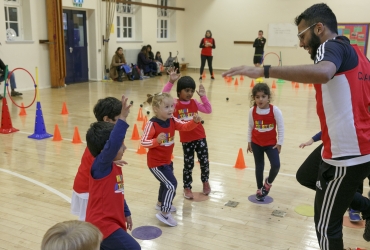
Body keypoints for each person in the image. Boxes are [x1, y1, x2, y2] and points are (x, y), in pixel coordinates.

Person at [223, 3, 370, 248]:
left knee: (325, 227)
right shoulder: (357, 53)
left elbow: (322, 72)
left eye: (302, 35)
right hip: (349, 147)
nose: (301, 43)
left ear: (319, 28)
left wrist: (262, 70)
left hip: (346, 155)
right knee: (306, 175)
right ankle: (366, 206)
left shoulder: (329, 46)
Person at [85, 95, 141, 250]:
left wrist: (126, 212)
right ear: (105, 151)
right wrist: (122, 118)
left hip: (113, 222)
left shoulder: (113, 166)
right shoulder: (100, 166)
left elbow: (118, 193)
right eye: (120, 145)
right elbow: (114, 142)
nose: (124, 148)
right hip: (102, 225)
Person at [141, 92, 202, 227]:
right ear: (156, 109)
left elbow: (185, 126)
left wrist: (194, 122)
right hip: (156, 164)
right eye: (167, 107)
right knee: (171, 184)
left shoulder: (172, 120)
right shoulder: (152, 124)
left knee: (165, 184)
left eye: (172, 106)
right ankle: (164, 213)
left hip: (167, 161)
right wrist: (156, 141)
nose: (171, 109)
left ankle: (160, 204)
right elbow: (143, 142)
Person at [71, 97, 132, 226]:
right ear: (107, 119)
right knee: (87, 228)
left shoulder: (105, 137)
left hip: (94, 187)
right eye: (118, 118)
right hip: (86, 190)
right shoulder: (102, 141)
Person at [161, 68, 212, 199]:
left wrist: (203, 96)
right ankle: (187, 187)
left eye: (191, 90)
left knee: (204, 162)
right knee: (188, 164)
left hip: (200, 136)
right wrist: (171, 82)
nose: (189, 93)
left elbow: (208, 109)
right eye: (186, 90)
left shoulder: (194, 102)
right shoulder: (175, 104)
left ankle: (205, 182)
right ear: (179, 92)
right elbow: (163, 97)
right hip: (186, 140)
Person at [297, 132, 370, 223]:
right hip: (335, 140)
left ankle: (358, 205)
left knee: (353, 177)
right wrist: (314, 138)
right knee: (304, 176)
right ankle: (356, 203)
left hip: (355, 145)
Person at [247, 83, 284, 201]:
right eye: (257, 97)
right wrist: (249, 141)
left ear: (268, 97)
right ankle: (259, 189)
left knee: (276, 165)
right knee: (259, 166)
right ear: (254, 98)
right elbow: (250, 127)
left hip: (271, 144)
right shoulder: (252, 111)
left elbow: (281, 127)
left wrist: (280, 143)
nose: (260, 99)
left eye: (263, 96)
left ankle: (268, 183)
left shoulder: (275, 110)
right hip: (256, 143)